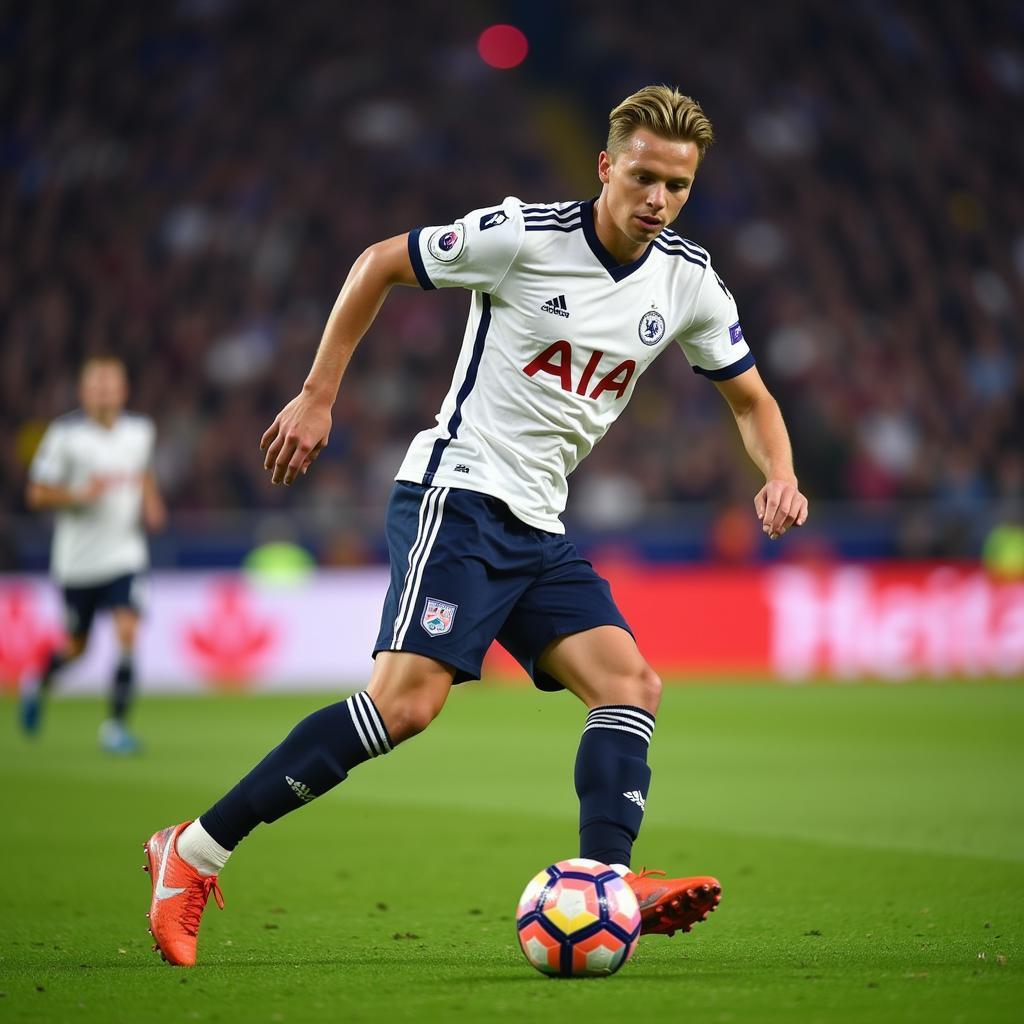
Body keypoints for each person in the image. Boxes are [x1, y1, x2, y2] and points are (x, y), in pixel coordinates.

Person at [144, 85, 809, 966]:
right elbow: (379, 260)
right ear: (606, 167)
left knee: (630, 686)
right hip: (457, 495)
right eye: (644, 177)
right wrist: (317, 394)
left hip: (538, 522)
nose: (659, 200)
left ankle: (607, 878)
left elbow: (752, 399)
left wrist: (783, 473)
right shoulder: (524, 235)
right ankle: (191, 852)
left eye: (678, 186)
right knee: (404, 707)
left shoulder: (687, 281)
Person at [21, 356, 165, 753]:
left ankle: (115, 728)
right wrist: (79, 495)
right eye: (96, 384)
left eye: (110, 384)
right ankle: (38, 683)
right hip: (78, 562)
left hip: (125, 555)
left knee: (127, 631)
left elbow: (143, 471)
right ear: (84, 392)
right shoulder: (65, 436)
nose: (104, 391)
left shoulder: (140, 431)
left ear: (124, 390)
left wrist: (152, 503)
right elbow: (36, 493)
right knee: (76, 648)